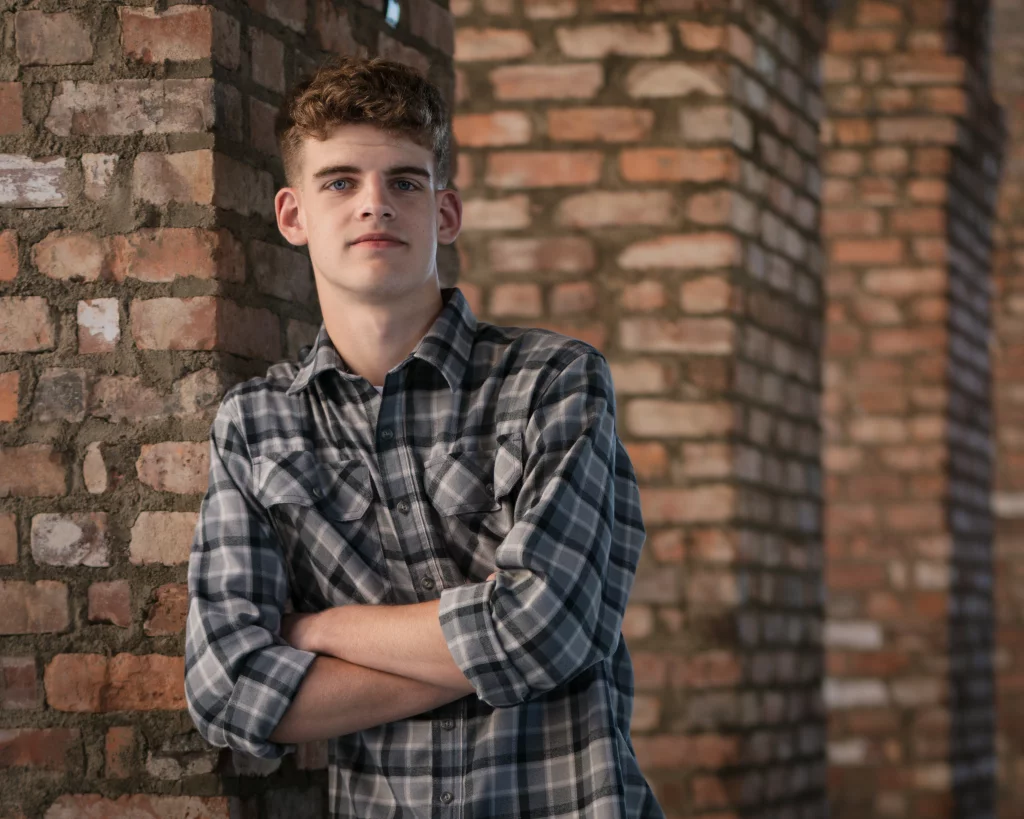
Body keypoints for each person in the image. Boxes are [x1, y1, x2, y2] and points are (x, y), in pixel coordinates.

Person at [184, 56, 663, 818]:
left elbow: (549, 629)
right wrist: (497, 642)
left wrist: (319, 629)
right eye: (340, 181)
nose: (375, 204)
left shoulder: (553, 381)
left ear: (444, 213)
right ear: (292, 214)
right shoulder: (256, 424)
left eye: (404, 181)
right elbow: (230, 692)